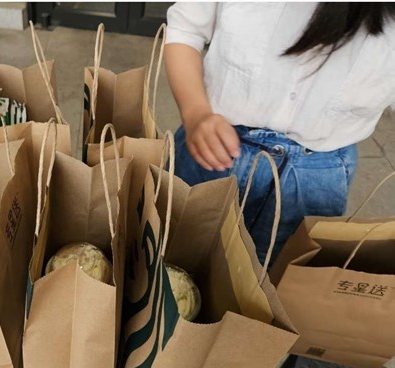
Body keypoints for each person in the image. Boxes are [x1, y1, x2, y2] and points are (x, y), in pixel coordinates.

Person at [165, 3, 395, 264]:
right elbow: (186, 29)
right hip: (212, 145)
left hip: (318, 174)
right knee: (169, 257)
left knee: (277, 278)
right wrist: (195, 112)